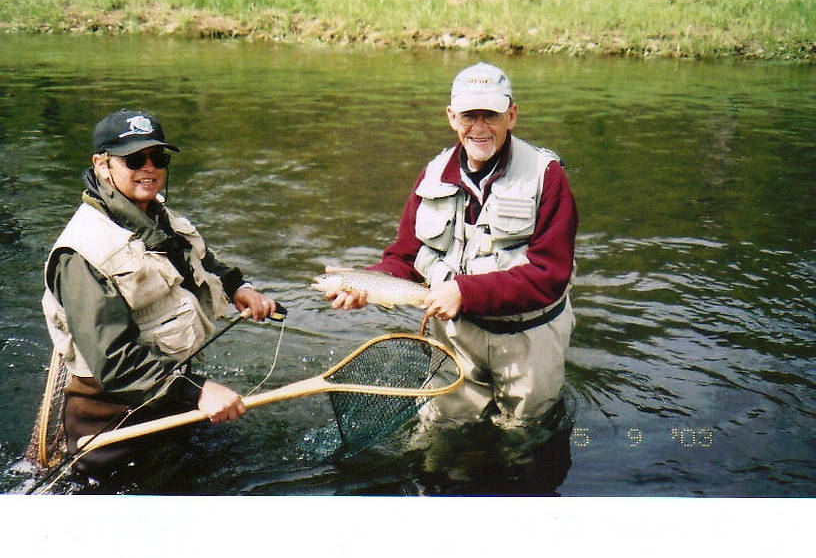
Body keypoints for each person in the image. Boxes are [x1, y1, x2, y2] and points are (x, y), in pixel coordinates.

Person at [323, 63, 578, 426]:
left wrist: (465, 292)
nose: (478, 127)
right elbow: (404, 257)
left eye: (489, 115)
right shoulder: (432, 173)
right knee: (443, 428)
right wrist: (364, 282)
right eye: (468, 115)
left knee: (525, 436)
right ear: (451, 117)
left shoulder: (547, 176)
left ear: (512, 115)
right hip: (456, 336)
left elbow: (549, 275)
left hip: (528, 339)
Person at [41, 109, 279, 472]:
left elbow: (200, 259)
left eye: (159, 158)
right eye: (135, 159)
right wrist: (199, 391)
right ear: (101, 165)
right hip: (112, 422)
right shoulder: (81, 253)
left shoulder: (155, 214)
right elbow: (114, 361)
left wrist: (237, 288)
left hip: (169, 396)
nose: (149, 168)